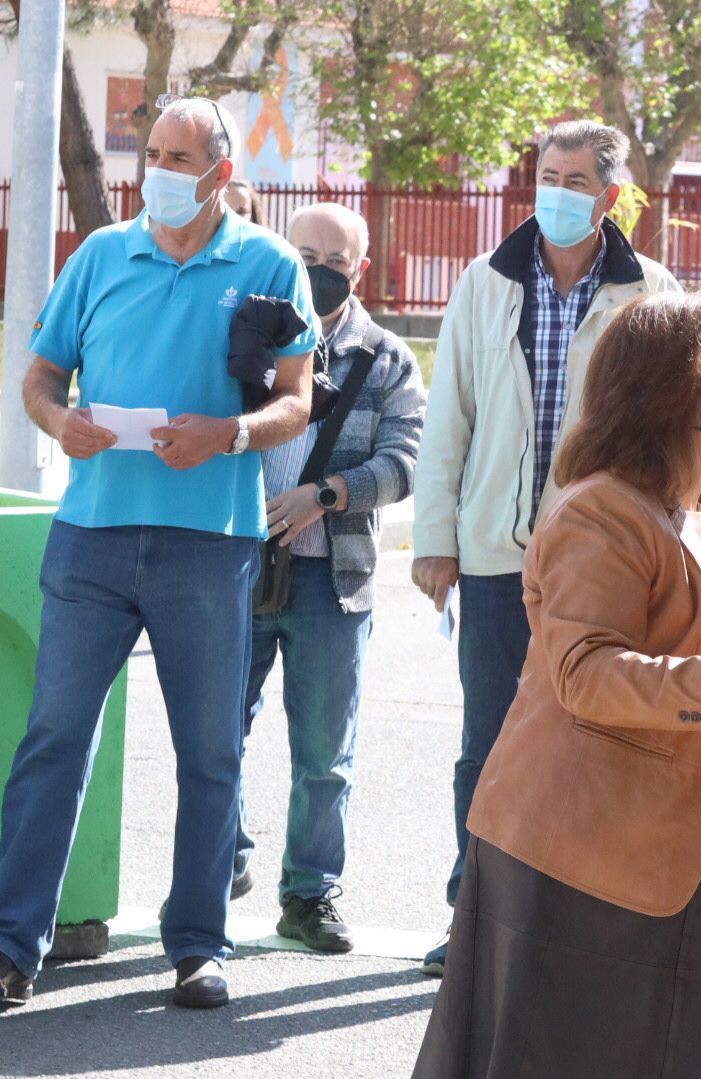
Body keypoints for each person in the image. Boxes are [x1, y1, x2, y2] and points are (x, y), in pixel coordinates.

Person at [411, 291, 701, 1079]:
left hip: (684, 841)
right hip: (586, 856)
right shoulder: (602, 514)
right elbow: (582, 671)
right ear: (662, 386)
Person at [0, 96, 317, 1009]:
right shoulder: (101, 254)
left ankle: (198, 944)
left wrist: (228, 435)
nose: (163, 174)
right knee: (54, 739)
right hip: (91, 536)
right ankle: (15, 942)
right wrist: (61, 421)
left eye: (184, 157)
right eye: (155, 155)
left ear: (221, 169)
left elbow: (297, 400)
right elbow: (40, 374)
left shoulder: (271, 262)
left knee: (210, 750)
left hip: (208, 545)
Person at [411, 120, 681, 975]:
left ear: (608, 195)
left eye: (573, 179)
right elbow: (446, 417)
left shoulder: (652, 292)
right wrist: (435, 540)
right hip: (495, 554)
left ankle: (576, 918)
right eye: (546, 174)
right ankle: (476, 914)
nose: (554, 192)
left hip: (600, 563)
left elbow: (669, 433)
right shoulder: (485, 281)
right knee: (488, 742)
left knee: (597, 737)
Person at [235, 202, 427, 952]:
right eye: (304, 252)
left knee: (324, 755)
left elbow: (406, 460)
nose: (317, 269)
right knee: (215, 731)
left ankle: (309, 894)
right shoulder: (247, 338)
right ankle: (229, 858)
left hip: (333, 581)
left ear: (361, 269)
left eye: (335, 260)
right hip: (238, 565)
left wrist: (327, 495)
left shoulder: (386, 357)